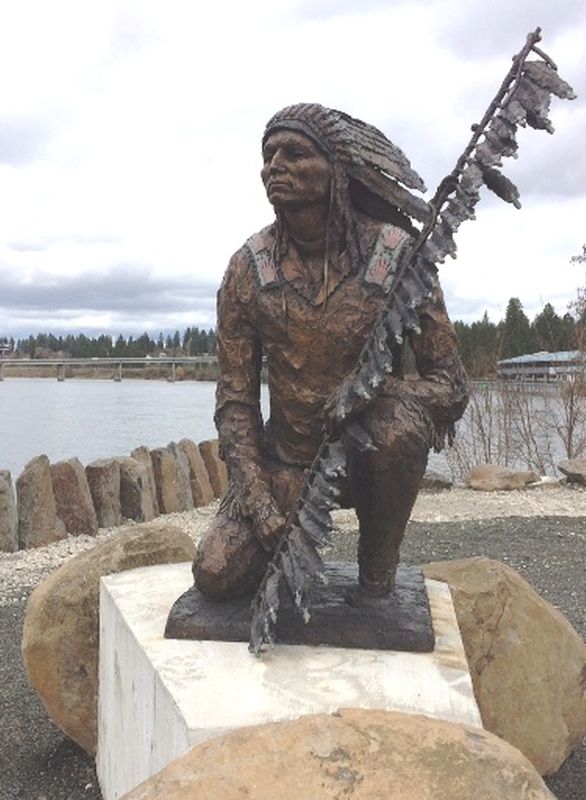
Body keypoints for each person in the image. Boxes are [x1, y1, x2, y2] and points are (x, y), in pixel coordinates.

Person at [192, 103, 469, 603]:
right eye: (269, 155)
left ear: (336, 168)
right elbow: (235, 404)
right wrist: (258, 502)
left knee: (397, 427)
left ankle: (377, 578)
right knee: (215, 573)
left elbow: (451, 387)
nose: (275, 166)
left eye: (294, 153)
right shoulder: (248, 270)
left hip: (368, 459)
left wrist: (371, 396)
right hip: (287, 468)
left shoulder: (396, 255)